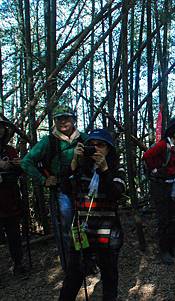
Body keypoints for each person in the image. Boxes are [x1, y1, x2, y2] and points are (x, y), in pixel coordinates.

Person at [59, 129, 126, 300]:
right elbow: (65, 188)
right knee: (73, 276)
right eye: (92, 145)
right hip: (82, 232)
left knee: (109, 276)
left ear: (109, 149)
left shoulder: (117, 170)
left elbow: (115, 194)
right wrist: (74, 162)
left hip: (108, 233)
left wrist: (104, 170)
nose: (96, 148)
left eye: (101, 145)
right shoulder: (81, 169)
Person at [21, 104, 88, 270]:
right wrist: (43, 180)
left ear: (73, 119)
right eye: (59, 118)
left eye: (66, 117)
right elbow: (26, 162)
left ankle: (86, 261)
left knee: (83, 225)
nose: (63, 121)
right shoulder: (48, 141)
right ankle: (70, 266)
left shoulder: (84, 139)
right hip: (61, 191)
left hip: (82, 188)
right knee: (64, 229)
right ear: (54, 122)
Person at [142, 117, 175, 265]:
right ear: (172, 131)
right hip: (160, 186)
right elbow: (146, 156)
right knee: (164, 219)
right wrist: (157, 169)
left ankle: (172, 249)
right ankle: (164, 251)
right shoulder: (163, 145)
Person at [0, 118, 26, 277]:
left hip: (10, 199)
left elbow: (19, 173)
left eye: (2, 128)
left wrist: (18, 165)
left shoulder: (9, 150)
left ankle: (18, 264)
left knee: (14, 235)